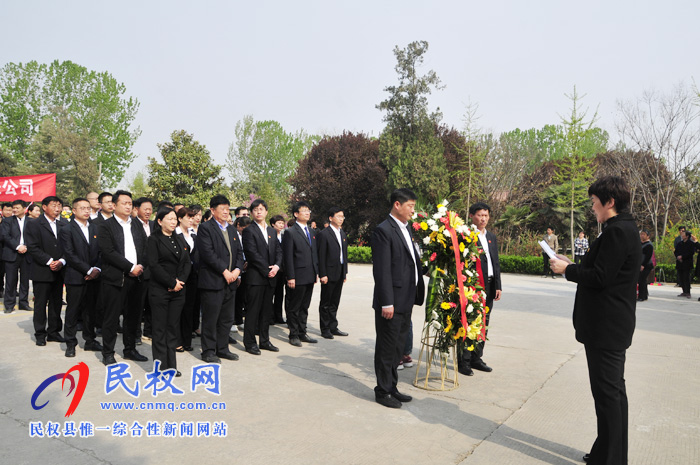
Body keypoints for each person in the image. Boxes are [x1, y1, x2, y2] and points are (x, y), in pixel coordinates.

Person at [550, 176, 640, 465]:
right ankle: (607, 452)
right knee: (611, 394)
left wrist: (568, 271)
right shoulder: (619, 229)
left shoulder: (617, 231)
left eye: (594, 202)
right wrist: (571, 263)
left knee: (608, 396)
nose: (592, 208)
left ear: (609, 202)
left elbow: (601, 278)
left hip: (607, 327)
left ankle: (612, 459)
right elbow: (601, 268)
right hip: (609, 325)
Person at [371, 188, 425, 409]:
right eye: (410, 206)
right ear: (397, 205)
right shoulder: (383, 231)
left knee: (397, 348)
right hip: (391, 301)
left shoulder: (406, 228)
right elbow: (382, 270)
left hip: (406, 298)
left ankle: (392, 386)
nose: (414, 210)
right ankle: (382, 391)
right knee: (386, 347)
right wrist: (387, 302)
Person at [97, 190, 149, 365]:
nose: (128, 206)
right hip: (116, 278)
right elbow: (108, 252)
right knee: (111, 318)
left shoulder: (136, 224)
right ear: (114, 205)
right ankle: (108, 352)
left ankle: (130, 349)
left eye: (130, 203)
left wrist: (140, 265)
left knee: (133, 317)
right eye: (124, 203)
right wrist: (130, 267)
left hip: (136, 278)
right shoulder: (106, 225)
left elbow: (144, 247)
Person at [196, 195, 244, 363]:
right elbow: (208, 254)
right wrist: (225, 271)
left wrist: (237, 270)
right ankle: (208, 351)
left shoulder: (231, 229)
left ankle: (222, 348)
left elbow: (239, 252)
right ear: (212, 210)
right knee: (211, 318)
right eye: (222, 208)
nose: (226, 212)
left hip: (231, 281)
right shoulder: (205, 228)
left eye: (227, 208)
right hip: (213, 281)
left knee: (226, 318)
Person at [458, 202, 502, 376]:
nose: (483, 219)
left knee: (484, 322)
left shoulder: (491, 237)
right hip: (473, 285)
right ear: (471, 216)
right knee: (469, 322)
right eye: (480, 215)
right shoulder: (466, 236)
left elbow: (495, 263)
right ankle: (464, 360)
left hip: (490, 285)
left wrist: (498, 285)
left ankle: (477, 357)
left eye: (486, 215)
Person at [148, 208, 191, 376]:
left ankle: (171, 365)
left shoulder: (179, 239)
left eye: (175, 219)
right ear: (160, 221)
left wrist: (179, 282)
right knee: (160, 329)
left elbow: (187, 262)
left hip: (178, 290)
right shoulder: (154, 239)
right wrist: (171, 282)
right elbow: (154, 265)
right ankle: (160, 367)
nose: (174, 222)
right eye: (170, 219)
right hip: (160, 290)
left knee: (172, 328)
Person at [59, 197, 103, 357]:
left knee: (91, 310)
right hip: (76, 277)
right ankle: (70, 343)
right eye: (82, 208)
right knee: (73, 311)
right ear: (74, 210)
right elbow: (69, 254)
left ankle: (90, 340)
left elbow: (100, 252)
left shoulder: (95, 228)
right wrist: (88, 270)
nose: (86, 211)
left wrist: (96, 268)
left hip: (94, 276)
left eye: (88, 208)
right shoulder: (66, 229)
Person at [241, 199, 282, 355]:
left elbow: (279, 250)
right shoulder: (249, 230)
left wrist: (277, 267)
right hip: (256, 278)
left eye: (261, 209)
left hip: (271, 277)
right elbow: (252, 254)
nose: (259, 212)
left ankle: (264, 341)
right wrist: (267, 270)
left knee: (266, 312)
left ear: (266, 212)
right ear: (252, 213)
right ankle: (250, 343)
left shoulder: (272, 231)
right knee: (253, 312)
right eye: (255, 209)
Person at [25, 196, 66, 346]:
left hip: (60, 270)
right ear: (44, 207)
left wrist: (61, 261)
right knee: (41, 304)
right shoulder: (34, 224)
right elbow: (33, 247)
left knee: (56, 303)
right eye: (54, 205)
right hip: (42, 270)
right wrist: (49, 261)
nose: (57, 208)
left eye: (59, 205)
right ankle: (40, 333)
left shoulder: (63, 224)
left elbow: (68, 247)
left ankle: (54, 332)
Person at [282, 201, 319, 346]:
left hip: (309, 275)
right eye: (304, 210)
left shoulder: (312, 232)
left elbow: (314, 253)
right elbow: (288, 256)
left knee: (305, 306)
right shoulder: (290, 233)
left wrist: (316, 272)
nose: (307, 213)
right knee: (294, 306)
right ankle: (294, 334)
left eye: (308, 210)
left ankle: (303, 332)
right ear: (296, 214)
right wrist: (290, 276)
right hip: (297, 276)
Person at [316, 207, 349, 339]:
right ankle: (325, 328)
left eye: (342, 216)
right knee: (326, 302)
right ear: (331, 218)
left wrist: (345, 273)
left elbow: (344, 255)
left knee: (335, 301)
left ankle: (333, 326)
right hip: (328, 273)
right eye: (338, 216)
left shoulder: (342, 233)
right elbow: (321, 255)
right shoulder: (324, 234)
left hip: (339, 272)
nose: (341, 218)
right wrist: (322, 274)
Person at [2, 199, 31, 313]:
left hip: (27, 254)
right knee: (11, 280)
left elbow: (35, 237)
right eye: (13, 208)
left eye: (17, 208)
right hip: (11, 253)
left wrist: (27, 247)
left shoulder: (31, 221)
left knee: (25, 281)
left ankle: (23, 303)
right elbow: (5, 236)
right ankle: (9, 304)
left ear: (24, 209)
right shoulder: (7, 221)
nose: (14, 210)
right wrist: (18, 246)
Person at [176, 207, 198, 352]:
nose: (191, 220)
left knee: (190, 308)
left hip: (193, 276)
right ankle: (177, 340)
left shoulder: (194, 235)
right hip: (178, 276)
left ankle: (187, 340)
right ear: (180, 219)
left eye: (192, 217)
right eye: (188, 217)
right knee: (178, 309)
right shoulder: (174, 234)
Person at [269, 215, 286, 325]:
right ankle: (270, 316)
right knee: (270, 294)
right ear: (273, 224)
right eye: (278, 223)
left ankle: (278, 315)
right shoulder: (270, 236)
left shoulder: (285, 236)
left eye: (282, 223)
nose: (281, 225)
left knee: (280, 293)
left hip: (282, 270)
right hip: (272, 268)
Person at [674, 229, 694, 298]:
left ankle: (688, 292)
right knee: (681, 278)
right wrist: (678, 256)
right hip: (680, 263)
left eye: (683, 234)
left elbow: (691, 253)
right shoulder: (680, 243)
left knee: (686, 278)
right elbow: (676, 251)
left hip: (687, 263)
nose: (682, 235)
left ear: (687, 236)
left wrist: (682, 257)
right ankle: (683, 291)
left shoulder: (691, 244)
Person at [638, 231, 654, 302]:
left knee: (642, 280)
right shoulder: (640, 243)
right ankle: (644, 295)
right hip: (640, 264)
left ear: (648, 236)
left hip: (646, 265)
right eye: (641, 234)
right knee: (641, 280)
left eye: (644, 234)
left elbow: (648, 256)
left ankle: (642, 296)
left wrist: (643, 265)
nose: (642, 236)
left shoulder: (649, 245)